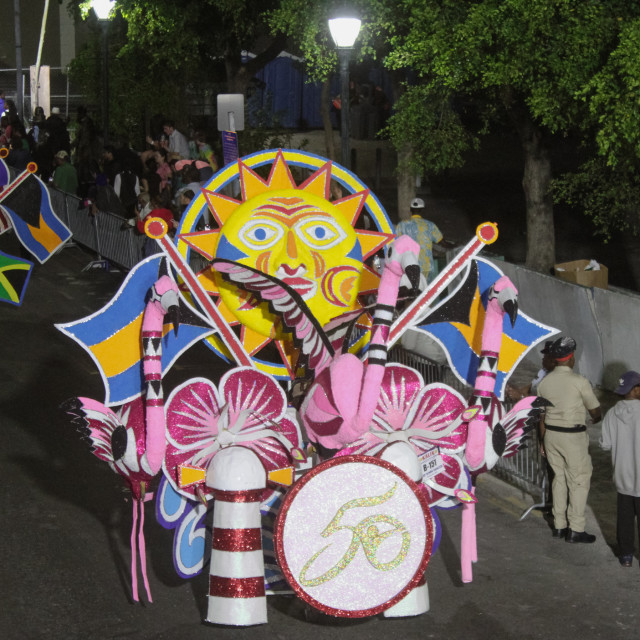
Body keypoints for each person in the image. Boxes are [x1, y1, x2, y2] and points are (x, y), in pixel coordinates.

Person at [537, 336, 602, 543]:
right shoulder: (579, 382)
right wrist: (595, 417)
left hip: (551, 435)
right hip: (572, 437)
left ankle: (559, 525)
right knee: (579, 480)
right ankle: (576, 529)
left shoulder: (544, 383)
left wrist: (542, 440)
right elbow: (595, 410)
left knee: (559, 478)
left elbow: (542, 416)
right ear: (571, 358)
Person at [600, 370, 640, 567]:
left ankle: (625, 556)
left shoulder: (611, 413)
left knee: (624, 518)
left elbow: (605, 444)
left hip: (623, 476)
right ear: (636, 390)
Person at [395, 197, 446, 283]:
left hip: (408, 265)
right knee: (426, 293)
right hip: (426, 267)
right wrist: (455, 245)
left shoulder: (401, 225)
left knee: (411, 292)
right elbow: (442, 242)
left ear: (411, 209)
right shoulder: (430, 225)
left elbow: (395, 244)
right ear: (422, 210)